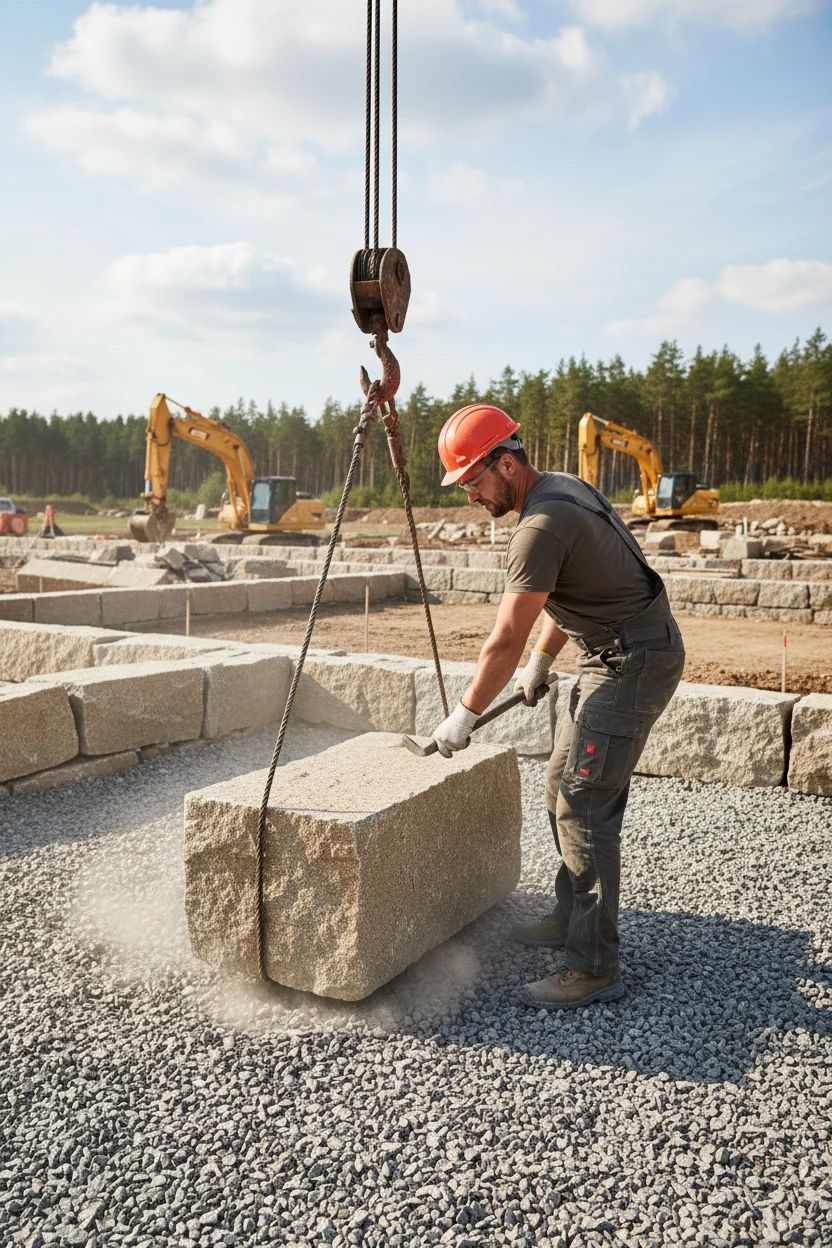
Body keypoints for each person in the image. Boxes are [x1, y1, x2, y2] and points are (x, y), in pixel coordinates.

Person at [430, 404, 685, 1010]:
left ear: (507, 463)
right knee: (559, 784)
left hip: (631, 662)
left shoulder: (540, 526)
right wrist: (543, 664)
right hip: (611, 654)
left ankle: (593, 965)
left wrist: (464, 715)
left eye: (472, 480)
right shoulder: (561, 489)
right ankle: (568, 916)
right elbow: (565, 594)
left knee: (584, 806)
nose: (468, 494)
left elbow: (503, 639)